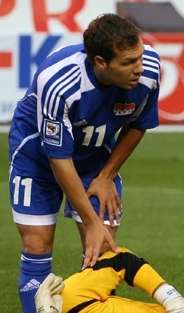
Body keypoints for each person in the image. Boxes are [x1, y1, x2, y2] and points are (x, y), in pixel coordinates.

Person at [9, 13, 160, 313]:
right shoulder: (59, 81)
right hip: (38, 156)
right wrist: (90, 220)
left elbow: (138, 124)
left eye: (140, 57)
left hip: (96, 158)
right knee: (37, 246)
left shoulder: (149, 70)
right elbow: (58, 157)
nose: (139, 68)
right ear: (101, 62)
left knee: (102, 252)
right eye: (129, 62)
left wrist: (106, 175)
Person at [35, 247, 184, 313]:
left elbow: (121, 260)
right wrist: (173, 300)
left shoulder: (69, 298)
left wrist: (172, 299)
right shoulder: (70, 297)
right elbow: (121, 260)